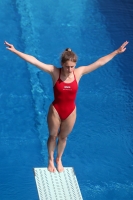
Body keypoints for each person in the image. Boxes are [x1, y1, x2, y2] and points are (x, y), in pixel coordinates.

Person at [4, 41, 128, 172]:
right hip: (56, 110)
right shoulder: (54, 72)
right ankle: (51, 159)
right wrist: (15, 51)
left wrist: (116, 51)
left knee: (63, 137)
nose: (70, 70)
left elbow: (99, 62)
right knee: (52, 135)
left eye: (72, 67)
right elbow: (34, 61)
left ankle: (59, 159)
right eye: (67, 66)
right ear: (62, 64)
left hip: (70, 112)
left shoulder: (78, 73)